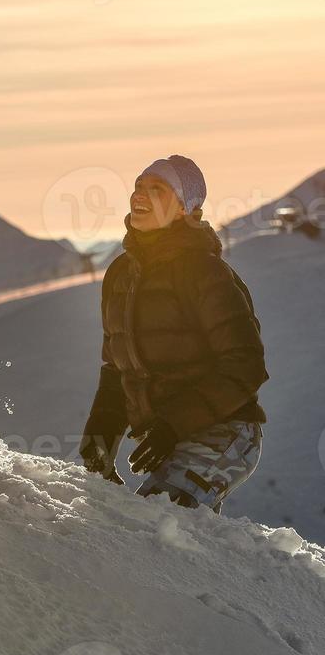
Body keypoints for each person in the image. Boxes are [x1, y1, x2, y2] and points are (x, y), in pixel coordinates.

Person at [80, 155, 269, 513]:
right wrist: (100, 437)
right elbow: (118, 367)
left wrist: (174, 424)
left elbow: (246, 365)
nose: (141, 195)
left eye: (158, 190)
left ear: (186, 208)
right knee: (143, 528)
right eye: (139, 185)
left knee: (158, 520)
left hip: (226, 432)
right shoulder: (120, 275)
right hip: (171, 434)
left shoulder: (206, 272)